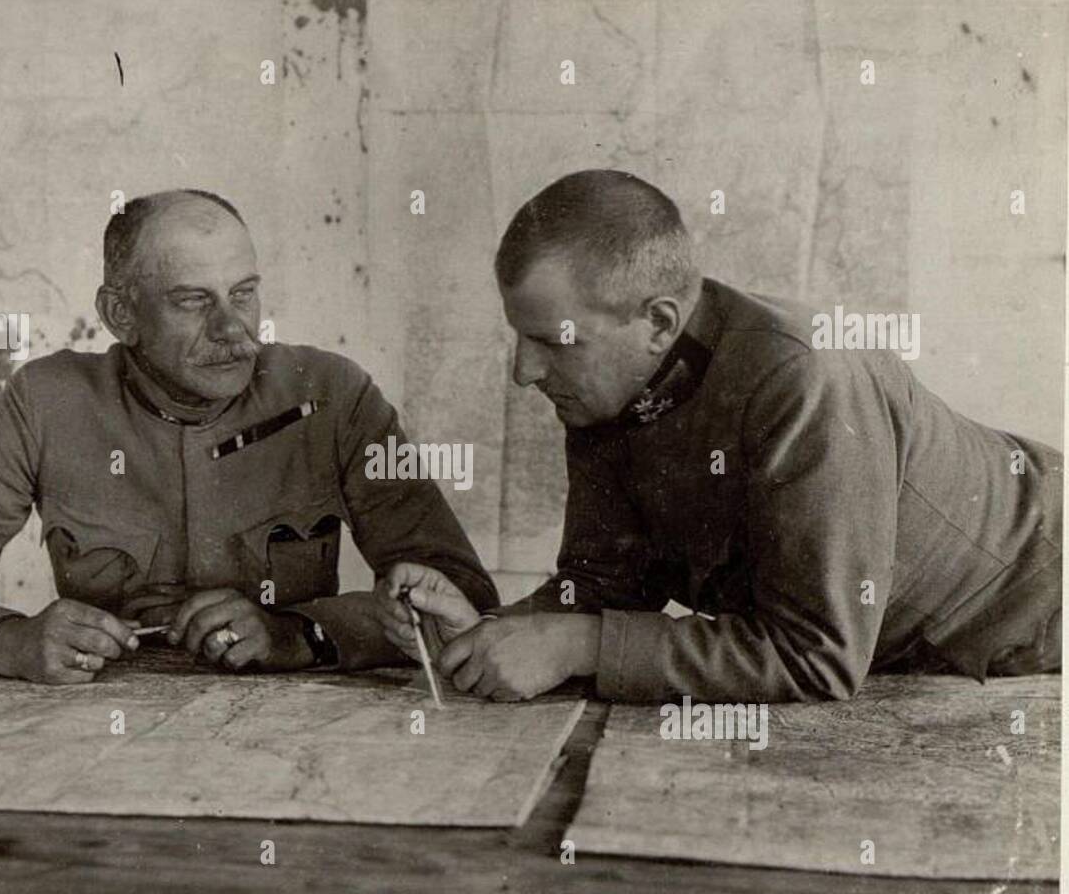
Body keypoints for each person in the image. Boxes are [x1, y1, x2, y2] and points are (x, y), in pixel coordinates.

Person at [379, 169, 1062, 703]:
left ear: (658, 321)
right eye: (518, 338)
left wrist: (579, 646)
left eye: (550, 342)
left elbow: (815, 655)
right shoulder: (608, 385)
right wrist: (487, 632)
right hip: (918, 651)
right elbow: (605, 585)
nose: (524, 373)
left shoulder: (802, 376)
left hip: (1042, 600)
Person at [0, 189, 496, 684]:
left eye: (244, 294)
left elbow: (459, 596)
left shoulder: (332, 394)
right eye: (193, 301)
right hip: (100, 748)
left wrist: (299, 634)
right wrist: (6, 642)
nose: (233, 329)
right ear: (121, 314)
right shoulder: (47, 404)